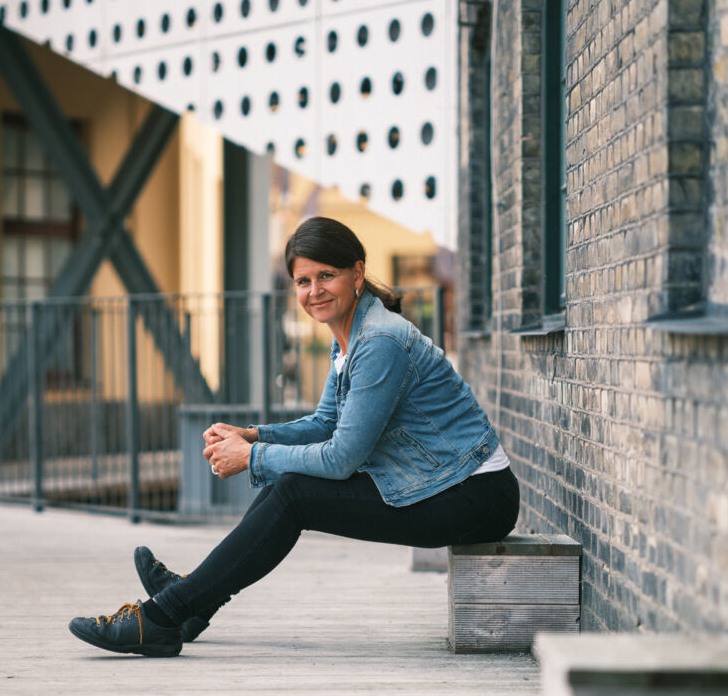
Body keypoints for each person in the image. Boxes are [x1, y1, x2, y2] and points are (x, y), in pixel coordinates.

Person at [68, 216, 519, 656]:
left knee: (294, 496)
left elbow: (341, 458)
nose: (314, 291)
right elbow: (326, 423)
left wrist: (254, 456)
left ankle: (162, 617)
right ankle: (189, 603)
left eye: (327, 275)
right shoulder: (349, 337)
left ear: (357, 273)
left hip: (471, 496)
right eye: (303, 281)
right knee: (290, 490)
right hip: (438, 483)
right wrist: (253, 434)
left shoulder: (380, 341)